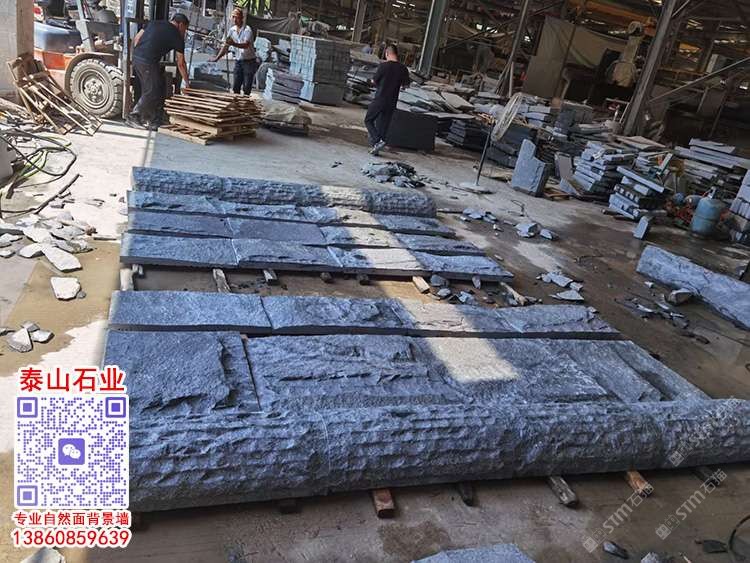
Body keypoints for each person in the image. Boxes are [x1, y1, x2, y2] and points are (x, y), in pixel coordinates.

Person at [128, 13, 190, 130]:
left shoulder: (154, 23)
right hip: (147, 61)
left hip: (138, 58)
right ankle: (134, 116)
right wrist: (186, 82)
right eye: (185, 29)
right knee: (152, 91)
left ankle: (154, 120)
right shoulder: (177, 36)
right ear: (181, 24)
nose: (184, 32)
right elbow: (181, 63)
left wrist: (139, 53)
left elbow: (137, 39)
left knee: (158, 87)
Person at [364, 44, 410, 156]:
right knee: (383, 126)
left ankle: (377, 141)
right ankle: (377, 148)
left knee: (368, 120)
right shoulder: (403, 69)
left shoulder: (383, 66)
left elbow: (374, 81)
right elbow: (406, 86)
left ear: (387, 54)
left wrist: (373, 82)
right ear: (397, 54)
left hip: (380, 99)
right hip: (392, 101)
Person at [213, 8, 259, 95]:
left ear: (242, 18)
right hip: (238, 61)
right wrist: (217, 58)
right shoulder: (232, 30)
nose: (234, 19)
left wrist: (233, 43)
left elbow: (246, 45)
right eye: (233, 17)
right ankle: (236, 101)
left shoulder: (247, 30)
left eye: (237, 17)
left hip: (249, 61)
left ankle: (245, 102)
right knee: (236, 86)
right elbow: (226, 46)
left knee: (246, 87)